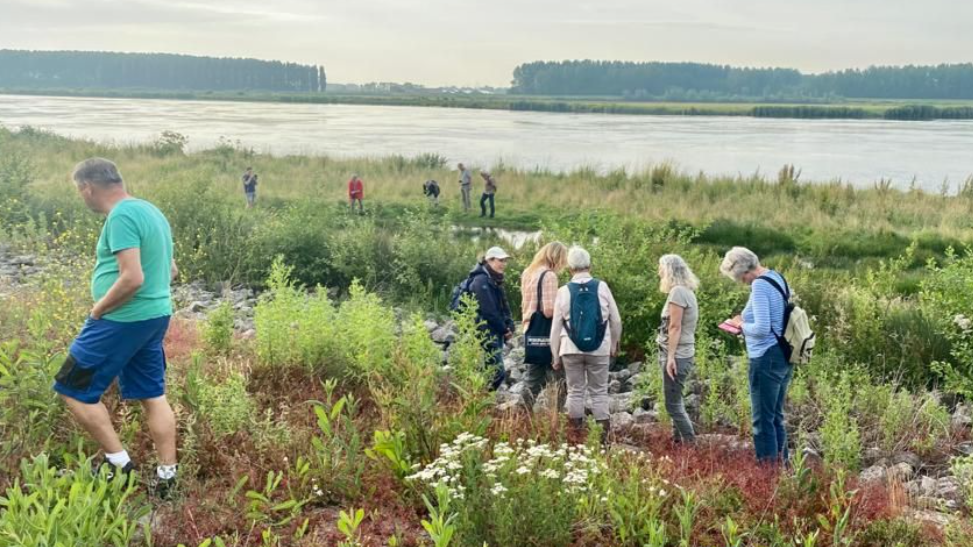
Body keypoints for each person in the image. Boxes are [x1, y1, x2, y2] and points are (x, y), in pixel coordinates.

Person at [53, 158, 179, 497]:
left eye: (80, 192)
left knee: (71, 386)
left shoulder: (120, 216)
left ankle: (118, 464)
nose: (83, 198)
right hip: (155, 317)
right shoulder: (150, 211)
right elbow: (171, 271)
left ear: (88, 188)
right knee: (153, 395)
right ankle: (167, 478)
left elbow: (133, 277)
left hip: (122, 320)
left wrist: (98, 309)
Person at [720, 246, 792, 465]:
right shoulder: (776, 277)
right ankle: (783, 466)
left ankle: (768, 474)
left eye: (740, 277)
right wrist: (744, 318)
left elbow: (761, 328)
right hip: (783, 353)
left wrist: (741, 325)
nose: (742, 282)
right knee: (775, 416)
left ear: (744, 270)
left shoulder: (759, 285)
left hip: (765, 357)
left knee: (762, 421)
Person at [550, 247, 622, 444]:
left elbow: (556, 327)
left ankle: (575, 436)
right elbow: (616, 320)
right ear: (589, 265)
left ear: (569, 268)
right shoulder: (602, 287)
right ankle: (604, 440)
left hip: (570, 349)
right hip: (599, 349)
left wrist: (555, 355)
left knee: (575, 391)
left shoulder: (563, 291)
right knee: (599, 391)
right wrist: (614, 344)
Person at [519, 242, 569, 412]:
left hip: (531, 329)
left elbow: (525, 304)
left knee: (534, 376)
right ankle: (556, 417)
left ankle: (521, 413)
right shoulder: (549, 276)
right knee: (558, 377)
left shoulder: (528, 272)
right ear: (556, 257)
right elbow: (548, 310)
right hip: (547, 332)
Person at [656, 254, 700, 444]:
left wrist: (671, 357)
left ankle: (690, 445)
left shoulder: (678, 293)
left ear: (668, 270)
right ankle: (677, 443)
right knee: (676, 400)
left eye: (661, 268)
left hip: (677, 354)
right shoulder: (686, 291)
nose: (658, 272)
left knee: (672, 404)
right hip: (680, 352)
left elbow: (675, 326)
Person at [466, 247, 515, 390]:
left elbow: (504, 305)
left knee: (491, 369)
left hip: (495, 331)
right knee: (497, 372)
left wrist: (510, 324)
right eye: (500, 260)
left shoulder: (494, 279)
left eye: (505, 260)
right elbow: (488, 311)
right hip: (484, 331)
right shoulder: (480, 280)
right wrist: (504, 329)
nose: (504, 263)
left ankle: (480, 398)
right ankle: (482, 397)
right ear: (489, 260)